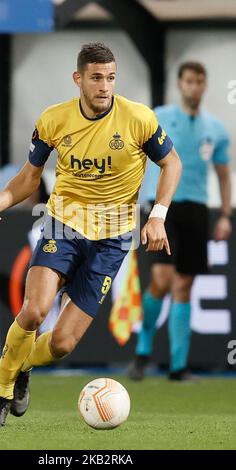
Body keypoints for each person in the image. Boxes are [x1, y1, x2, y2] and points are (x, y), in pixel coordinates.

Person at [0, 42, 182, 426]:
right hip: (62, 225)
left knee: (62, 343)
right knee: (35, 311)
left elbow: (172, 162)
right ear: (79, 79)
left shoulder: (139, 119)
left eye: (110, 78)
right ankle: (1, 395)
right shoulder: (54, 120)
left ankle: (23, 366)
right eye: (96, 78)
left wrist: (158, 215)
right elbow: (29, 178)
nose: (105, 86)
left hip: (113, 239)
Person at [129, 61, 232, 382]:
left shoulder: (215, 128)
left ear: (204, 85)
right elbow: (138, 160)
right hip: (163, 207)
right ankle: (143, 350)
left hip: (197, 210)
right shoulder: (158, 116)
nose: (195, 87)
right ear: (180, 84)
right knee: (161, 278)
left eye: (200, 81)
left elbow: (224, 175)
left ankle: (178, 366)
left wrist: (226, 214)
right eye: (189, 81)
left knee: (185, 285)